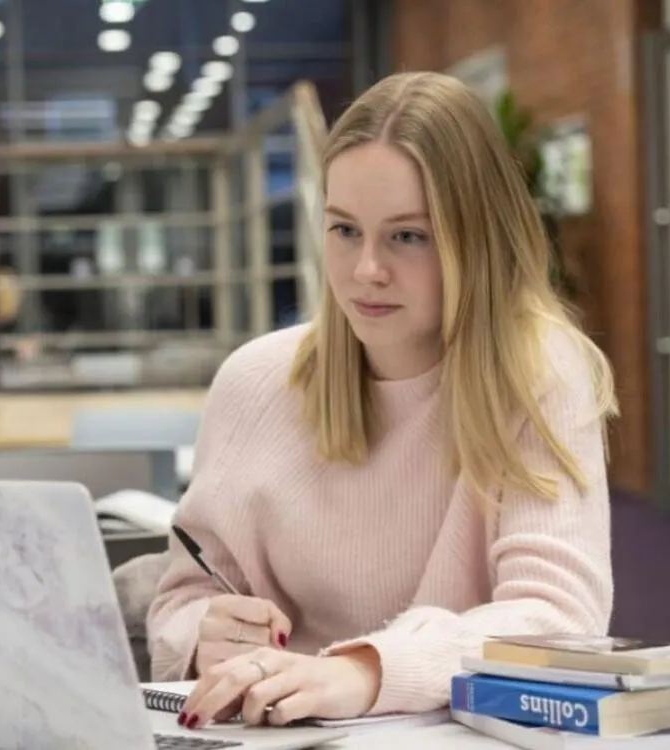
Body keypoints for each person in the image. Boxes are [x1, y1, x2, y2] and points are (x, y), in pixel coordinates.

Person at [147, 71, 618, 729]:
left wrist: (361, 671)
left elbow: (559, 617)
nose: (367, 269)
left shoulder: (539, 373)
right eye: (344, 230)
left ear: (474, 240)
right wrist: (204, 631)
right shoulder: (254, 381)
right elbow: (185, 597)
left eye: (407, 236)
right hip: (274, 730)